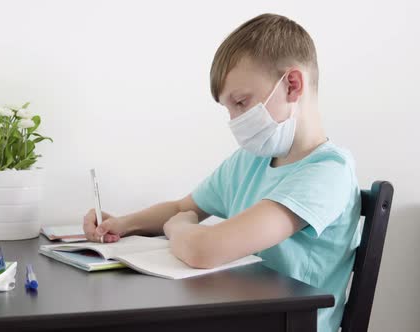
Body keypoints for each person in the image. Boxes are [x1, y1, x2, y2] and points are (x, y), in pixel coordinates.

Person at [82, 13, 361, 332]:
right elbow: (180, 208)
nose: (235, 121)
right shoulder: (251, 161)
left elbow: (204, 249)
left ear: (292, 85)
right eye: (228, 110)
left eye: (241, 102)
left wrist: (179, 228)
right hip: (241, 315)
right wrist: (122, 224)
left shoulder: (328, 174)